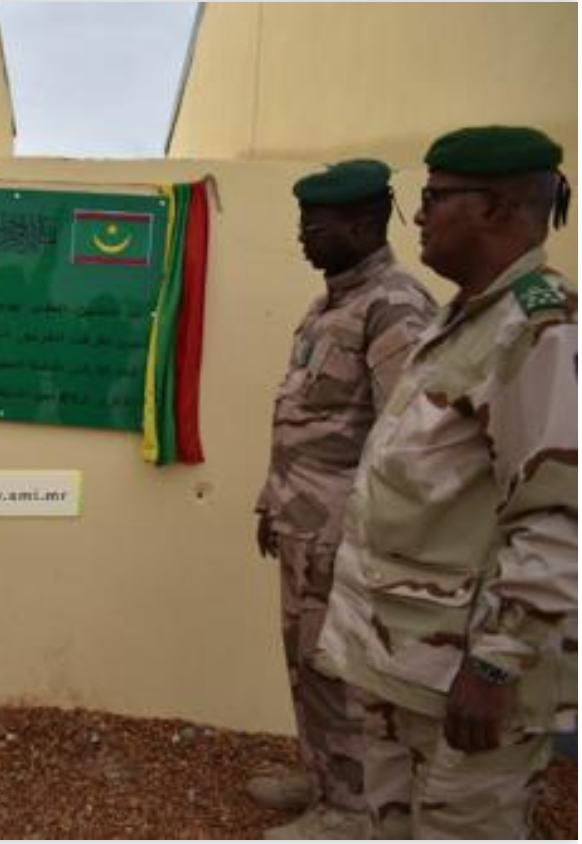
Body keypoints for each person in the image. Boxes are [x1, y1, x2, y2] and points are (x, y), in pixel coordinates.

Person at [315, 126, 577, 838]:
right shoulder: (467, 319)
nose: (420, 216)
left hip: (468, 678)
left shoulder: (539, 332)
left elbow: (557, 519)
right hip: (407, 662)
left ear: (494, 209)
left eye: (433, 198)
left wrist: (495, 668)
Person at [250, 160, 436, 838]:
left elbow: (405, 441)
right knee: (306, 660)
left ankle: (351, 811)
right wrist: (274, 497)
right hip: (302, 524)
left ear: (360, 224)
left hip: (343, 536)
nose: (303, 235)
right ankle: (325, 776)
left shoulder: (396, 307)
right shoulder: (329, 303)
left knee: (340, 669)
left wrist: (357, 535)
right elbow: (303, 414)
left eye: (315, 224)